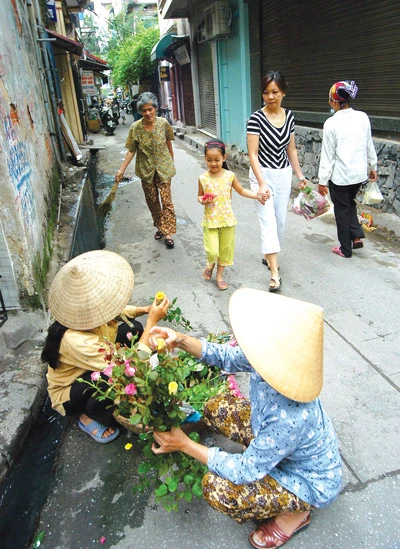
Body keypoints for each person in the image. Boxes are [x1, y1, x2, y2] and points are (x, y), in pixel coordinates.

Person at [149, 288, 342, 548]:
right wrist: (180, 339)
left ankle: (297, 513)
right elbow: (227, 356)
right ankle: (266, 458)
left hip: (307, 480)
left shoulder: (291, 417)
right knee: (216, 407)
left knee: (218, 489)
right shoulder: (271, 358)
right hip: (275, 439)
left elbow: (244, 470)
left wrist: (184, 444)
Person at [41, 249, 169, 444]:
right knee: (110, 378)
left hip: (92, 359)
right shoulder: (75, 340)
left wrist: (144, 310)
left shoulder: (84, 312)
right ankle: (87, 416)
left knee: (133, 328)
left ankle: (130, 356)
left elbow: (113, 311)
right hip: (70, 394)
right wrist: (152, 322)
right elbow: (127, 369)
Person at [247, 71, 309, 292]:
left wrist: (300, 175)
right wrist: (262, 183)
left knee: (280, 221)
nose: (270, 97)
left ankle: (268, 254)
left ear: (283, 92)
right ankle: (274, 272)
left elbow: (290, 149)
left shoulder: (289, 116)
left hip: (283, 174)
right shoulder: (256, 119)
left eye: (274, 92)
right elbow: (252, 154)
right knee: (268, 221)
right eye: (266, 92)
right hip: (261, 174)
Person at [317, 80, 378, 258]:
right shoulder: (362, 117)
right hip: (358, 175)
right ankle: (356, 236)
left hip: (341, 177)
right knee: (349, 203)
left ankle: (345, 248)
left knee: (341, 209)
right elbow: (369, 143)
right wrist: (372, 166)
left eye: (330, 99)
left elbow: (328, 156)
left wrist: (322, 181)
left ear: (335, 101)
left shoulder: (331, 123)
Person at [198, 139, 267, 291]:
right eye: (209, 160)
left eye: (217, 160)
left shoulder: (229, 176)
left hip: (227, 221)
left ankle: (220, 276)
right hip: (210, 220)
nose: (213, 164)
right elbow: (199, 196)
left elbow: (242, 191)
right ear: (205, 159)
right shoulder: (203, 178)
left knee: (225, 251)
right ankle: (210, 264)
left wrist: (257, 195)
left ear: (224, 158)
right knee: (212, 250)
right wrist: (203, 200)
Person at [116, 92, 177, 249]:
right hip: (146, 170)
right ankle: (160, 227)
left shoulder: (164, 124)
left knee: (167, 201)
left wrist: (171, 161)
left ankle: (168, 232)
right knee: (153, 202)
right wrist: (121, 170)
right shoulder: (135, 128)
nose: (148, 113)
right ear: (140, 112)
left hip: (163, 169)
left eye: (150, 109)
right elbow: (131, 150)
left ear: (155, 109)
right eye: (144, 110)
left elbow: (169, 143)